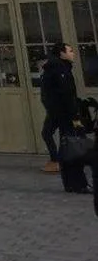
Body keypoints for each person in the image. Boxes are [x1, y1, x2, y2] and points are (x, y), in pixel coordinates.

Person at [40, 42, 87, 192]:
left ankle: (70, 183)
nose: (73, 53)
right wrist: (76, 118)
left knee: (67, 147)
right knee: (73, 149)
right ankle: (77, 183)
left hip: (58, 113)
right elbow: (67, 95)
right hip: (65, 115)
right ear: (62, 53)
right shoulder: (60, 70)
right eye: (70, 51)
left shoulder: (55, 69)